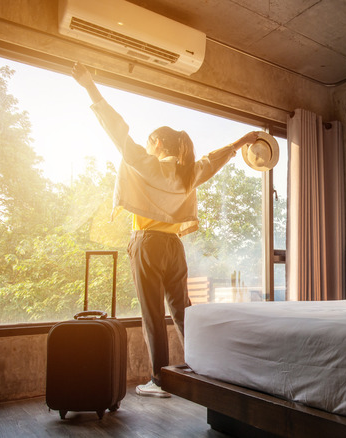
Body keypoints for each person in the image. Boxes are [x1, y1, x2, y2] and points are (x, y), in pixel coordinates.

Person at [72, 62, 261, 397]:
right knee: (182, 310)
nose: (146, 148)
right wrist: (241, 141)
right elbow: (215, 160)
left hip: (147, 244)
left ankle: (158, 380)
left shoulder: (147, 164)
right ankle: (203, 367)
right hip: (175, 247)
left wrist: (89, 87)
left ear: (157, 143)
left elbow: (115, 130)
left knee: (152, 314)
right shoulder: (187, 173)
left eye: (148, 143)